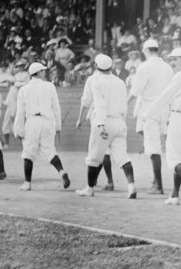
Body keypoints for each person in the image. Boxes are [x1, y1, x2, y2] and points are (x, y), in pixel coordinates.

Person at [145, 48, 181, 207]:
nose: (172, 63)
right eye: (171, 60)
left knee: (173, 160)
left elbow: (165, 97)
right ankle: (175, 195)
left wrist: (148, 114)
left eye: (176, 59)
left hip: (179, 119)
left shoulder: (180, 76)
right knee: (180, 158)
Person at [75, 54, 138, 199]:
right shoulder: (120, 82)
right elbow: (124, 104)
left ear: (96, 66)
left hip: (103, 122)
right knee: (123, 157)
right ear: (110, 67)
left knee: (93, 157)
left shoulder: (95, 81)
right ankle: (132, 186)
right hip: (119, 122)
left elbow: (97, 104)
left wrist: (100, 124)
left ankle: (90, 189)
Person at [13, 62, 70, 191]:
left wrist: (18, 130)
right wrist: (58, 126)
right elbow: (56, 108)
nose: (45, 72)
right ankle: (62, 172)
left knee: (28, 152)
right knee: (50, 150)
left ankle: (27, 183)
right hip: (47, 121)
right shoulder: (50, 86)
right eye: (43, 71)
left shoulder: (23, 89)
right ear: (38, 73)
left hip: (32, 122)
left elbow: (20, 112)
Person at [129, 38, 174, 194]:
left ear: (147, 51)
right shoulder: (167, 67)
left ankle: (159, 186)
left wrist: (125, 102)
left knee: (154, 148)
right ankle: (156, 181)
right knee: (155, 146)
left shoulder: (144, 66)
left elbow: (136, 91)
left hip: (150, 109)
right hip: (164, 109)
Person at [76, 60, 116, 191]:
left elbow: (86, 101)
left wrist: (79, 119)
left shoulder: (92, 79)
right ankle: (106, 181)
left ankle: (94, 183)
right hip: (113, 116)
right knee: (106, 150)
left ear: (95, 66)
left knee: (97, 150)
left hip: (98, 116)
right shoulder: (115, 79)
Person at [1, 59, 29, 145]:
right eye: (18, 67)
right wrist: (15, 82)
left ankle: (25, 143)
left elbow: (26, 83)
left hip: (21, 97)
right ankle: (7, 144)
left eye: (21, 66)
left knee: (17, 123)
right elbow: (9, 79)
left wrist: (17, 83)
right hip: (12, 101)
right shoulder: (16, 75)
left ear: (24, 67)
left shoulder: (27, 74)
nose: (20, 68)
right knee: (6, 123)